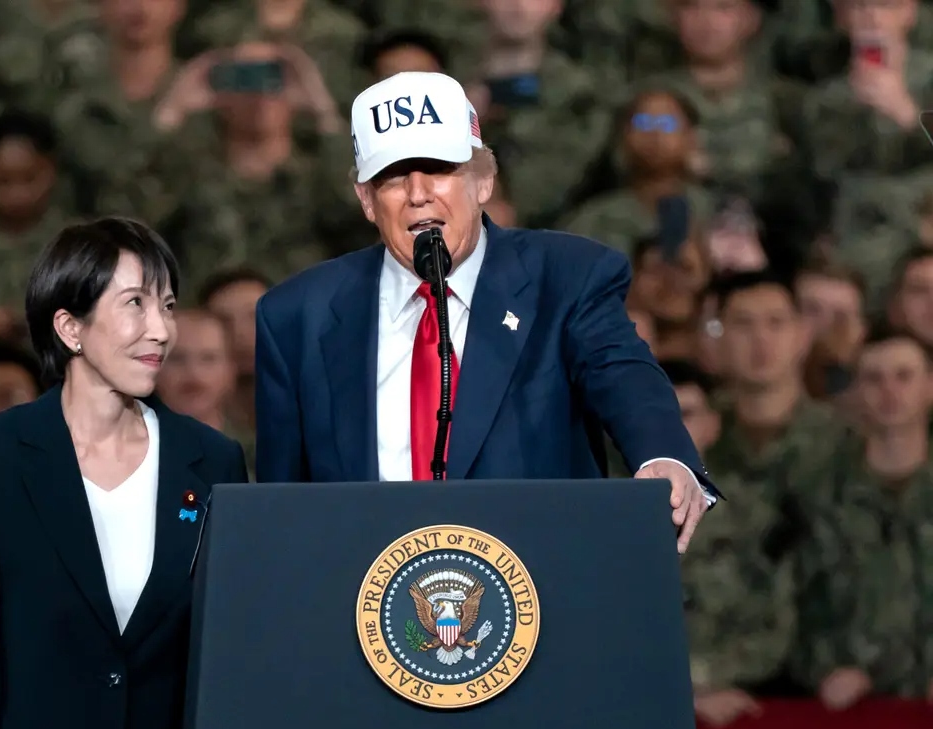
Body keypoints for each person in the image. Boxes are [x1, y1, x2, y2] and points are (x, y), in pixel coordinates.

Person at [255, 72, 719, 550]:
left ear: (483, 181)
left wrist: (664, 455)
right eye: (393, 177)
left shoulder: (565, 279)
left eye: (438, 169)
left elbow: (624, 375)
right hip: (360, 606)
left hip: (540, 593)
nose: (418, 194)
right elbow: (281, 509)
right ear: (366, 200)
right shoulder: (297, 316)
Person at [0, 217, 249, 729]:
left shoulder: (211, 460)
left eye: (168, 305)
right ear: (69, 327)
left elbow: (225, 658)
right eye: (134, 303)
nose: (160, 330)